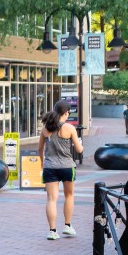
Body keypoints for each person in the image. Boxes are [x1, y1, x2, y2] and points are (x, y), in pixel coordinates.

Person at [38, 100, 83, 239]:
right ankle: (68, 226)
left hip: (50, 167)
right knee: (69, 195)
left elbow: (40, 149)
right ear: (66, 113)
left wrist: (42, 163)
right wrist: (80, 145)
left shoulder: (46, 128)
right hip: (67, 166)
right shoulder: (69, 128)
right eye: (68, 112)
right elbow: (79, 150)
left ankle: (52, 231)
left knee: (52, 199)